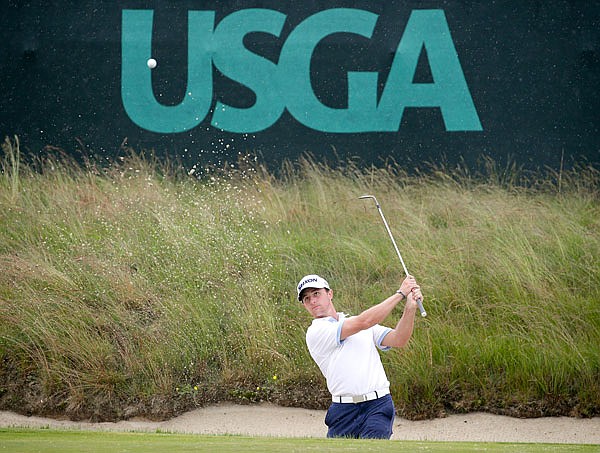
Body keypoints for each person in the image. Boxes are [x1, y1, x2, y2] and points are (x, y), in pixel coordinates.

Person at [296, 273, 422, 439]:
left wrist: (410, 308)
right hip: (343, 411)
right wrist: (400, 293)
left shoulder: (358, 323)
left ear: (330, 294)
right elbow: (364, 321)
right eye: (306, 298)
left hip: (378, 405)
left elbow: (399, 339)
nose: (312, 301)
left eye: (316, 294)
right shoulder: (317, 331)